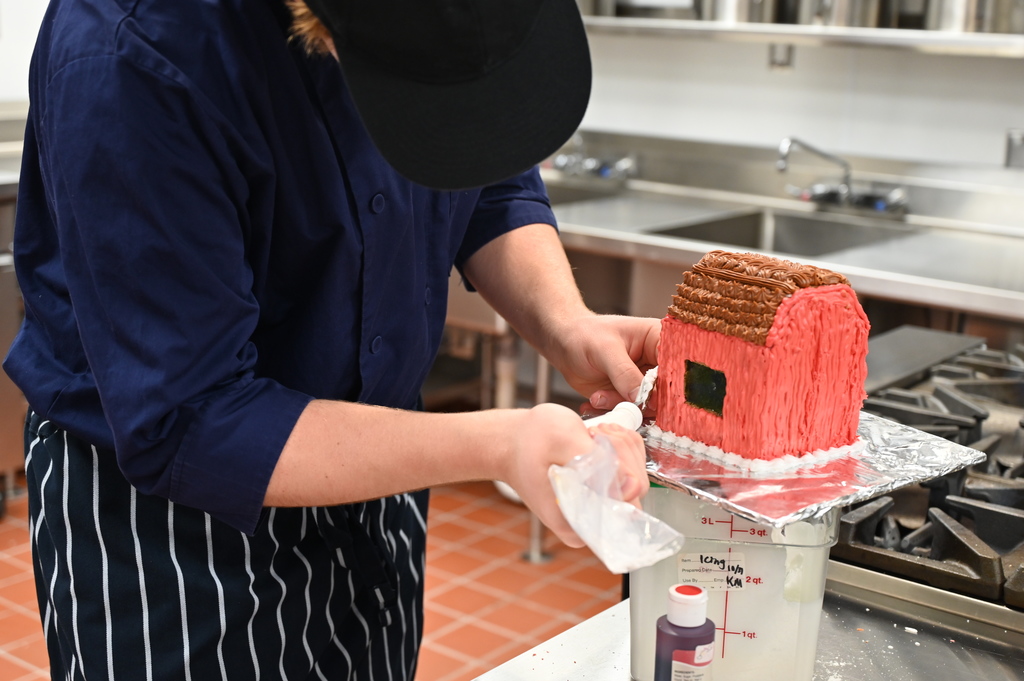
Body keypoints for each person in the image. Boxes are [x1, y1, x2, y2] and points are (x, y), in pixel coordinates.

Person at [4, 0, 659, 679]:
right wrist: (498, 443)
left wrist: (567, 323)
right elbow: (191, 414)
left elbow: (481, 166)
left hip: (377, 475)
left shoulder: (433, 39)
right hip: (171, 529)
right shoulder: (131, 48)